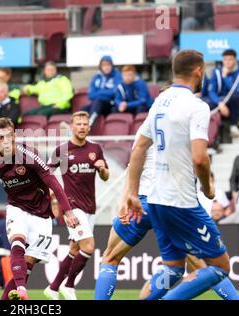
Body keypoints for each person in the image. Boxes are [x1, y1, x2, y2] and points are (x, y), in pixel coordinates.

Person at [127, 49, 232, 300]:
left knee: (173, 268)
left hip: (154, 199)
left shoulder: (159, 102)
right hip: (181, 201)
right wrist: (207, 188)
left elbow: (139, 147)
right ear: (198, 71)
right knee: (221, 267)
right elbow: (200, 157)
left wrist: (132, 193)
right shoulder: (197, 106)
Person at [94, 122, 239, 300]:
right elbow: (200, 160)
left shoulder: (148, 124)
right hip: (174, 205)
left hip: (143, 203)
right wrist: (208, 188)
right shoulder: (189, 123)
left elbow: (134, 163)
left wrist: (125, 200)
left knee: (110, 258)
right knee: (207, 266)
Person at [0, 117, 79, 300]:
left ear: (14, 136)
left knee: (28, 263)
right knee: (17, 243)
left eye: (8, 136)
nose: (5, 141)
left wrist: (68, 212)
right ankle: (22, 291)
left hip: (41, 214)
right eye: (0, 138)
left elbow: (54, 183)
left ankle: (9, 296)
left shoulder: (29, 155)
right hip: (16, 207)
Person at [44, 111, 110, 300]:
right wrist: (50, 196)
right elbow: (47, 175)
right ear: (72, 127)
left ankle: (53, 287)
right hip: (72, 208)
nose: (82, 127)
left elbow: (105, 177)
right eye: (78, 124)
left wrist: (102, 169)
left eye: (85, 124)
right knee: (88, 247)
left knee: (75, 249)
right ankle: (70, 285)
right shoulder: (62, 151)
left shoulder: (95, 149)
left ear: (89, 127)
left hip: (90, 207)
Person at [208, 49, 239, 136]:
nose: (227, 62)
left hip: (234, 101)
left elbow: (236, 90)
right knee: (206, 102)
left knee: (235, 97)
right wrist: (219, 103)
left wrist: (225, 77)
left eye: (230, 59)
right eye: (225, 59)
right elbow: (211, 91)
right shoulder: (216, 72)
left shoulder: (237, 73)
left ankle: (233, 125)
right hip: (220, 101)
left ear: (235, 60)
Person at [84, 55, 122, 126]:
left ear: (112, 65)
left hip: (111, 105)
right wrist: (104, 92)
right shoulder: (97, 77)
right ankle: (73, 130)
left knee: (98, 101)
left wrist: (99, 92)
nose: (106, 67)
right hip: (97, 104)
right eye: (104, 65)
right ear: (100, 67)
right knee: (82, 110)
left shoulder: (117, 76)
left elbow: (114, 92)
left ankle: (89, 124)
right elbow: (90, 95)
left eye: (108, 65)